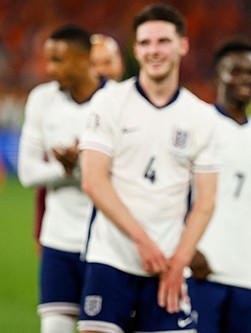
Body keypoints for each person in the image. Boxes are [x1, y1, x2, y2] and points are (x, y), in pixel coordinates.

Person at [77, 4, 219, 333]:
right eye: (145, 43)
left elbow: (206, 201)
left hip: (168, 268)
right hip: (110, 258)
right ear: (135, 49)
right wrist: (142, 241)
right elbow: (93, 181)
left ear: (182, 45)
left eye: (163, 41)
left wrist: (179, 262)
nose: (153, 50)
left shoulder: (201, 116)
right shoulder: (109, 102)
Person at [187, 38, 251, 333]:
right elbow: (171, 193)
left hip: (249, 277)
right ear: (219, 76)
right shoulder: (197, 122)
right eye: (236, 71)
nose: (245, 79)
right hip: (200, 272)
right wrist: (187, 250)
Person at [18, 24, 108, 333]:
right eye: (48, 59)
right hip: (57, 239)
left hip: (106, 241)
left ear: (85, 59)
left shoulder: (115, 100)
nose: (49, 68)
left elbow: (124, 173)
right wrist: (66, 170)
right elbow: (28, 173)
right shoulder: (42, 99)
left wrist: (79, 167)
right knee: (54, 327)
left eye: (58, 59)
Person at [32, 32, 125, 257]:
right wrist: (39, 230)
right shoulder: (60, 106)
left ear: (121, 64)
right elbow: (44, 189)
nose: (101, 70)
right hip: (65, 236)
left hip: (117, 236)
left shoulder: (130, 107)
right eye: (95, 63)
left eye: (107, 62)